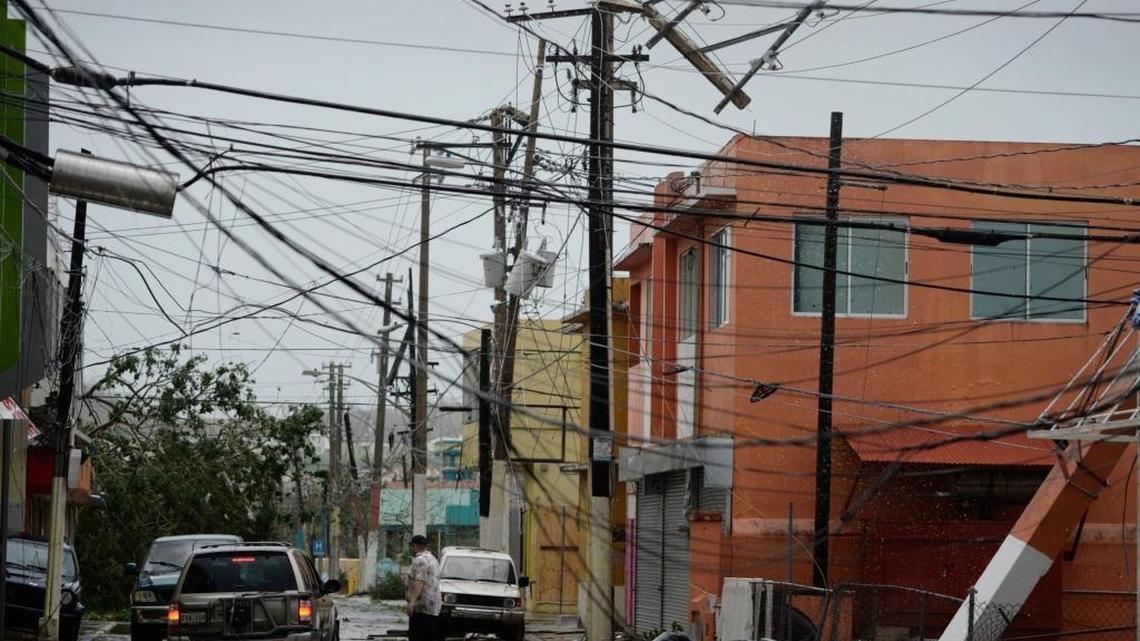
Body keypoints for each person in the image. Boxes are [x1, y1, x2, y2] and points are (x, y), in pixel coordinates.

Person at [405, 534, 441, 641]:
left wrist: (412, 602)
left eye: (412, 546)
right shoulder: (433, 559)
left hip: (422, 606)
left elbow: (419, 581)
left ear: (417, 545)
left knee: (417, 635)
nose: (412, 548)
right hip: (433, 606)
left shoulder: (420, 560)